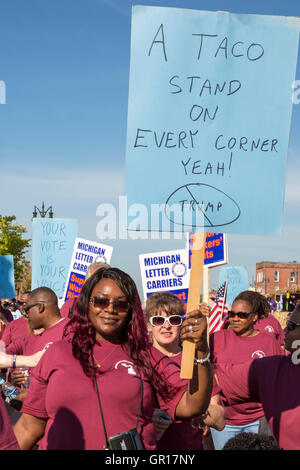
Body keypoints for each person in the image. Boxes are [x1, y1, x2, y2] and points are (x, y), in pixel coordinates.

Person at [13, 267, 213, 450]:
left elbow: (192, 406)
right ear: (87, 304)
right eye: (101, 301)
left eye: (120, 304)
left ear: (131, 311)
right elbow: (29, 427)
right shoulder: (57, 353)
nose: (110, 309)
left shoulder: (146, 356)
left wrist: (202, 352)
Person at [213, 303, 300, 450]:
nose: (285, 329)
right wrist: (200, 349)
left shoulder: (269, 341)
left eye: (291, 326)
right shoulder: (273, 369)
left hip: (256, 421)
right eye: (231, 314)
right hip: (230, 423)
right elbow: (215, 376)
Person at [145, 292, 225, 450]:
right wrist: (147, 419)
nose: (166, 326)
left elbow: (221, 419)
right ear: (148, 325)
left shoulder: (198, 360)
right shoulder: (139, 360)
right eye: (158, 320)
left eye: (174, 320)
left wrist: (199, 408)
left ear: (182, 323)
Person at [204, 290, 283, 450]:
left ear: (254, 317)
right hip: (225, 422)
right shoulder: (216, 338)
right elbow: (204, 372)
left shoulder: (269, 342)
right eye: (231, 314)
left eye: (241, 315)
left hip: (260, 419)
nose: (235, 318)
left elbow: (277, 381)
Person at [5, 287, 69, 395]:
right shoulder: (38, 337)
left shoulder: (71, 331)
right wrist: (18, 380)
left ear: (39, 307)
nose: (26, 315)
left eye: (27, 310)